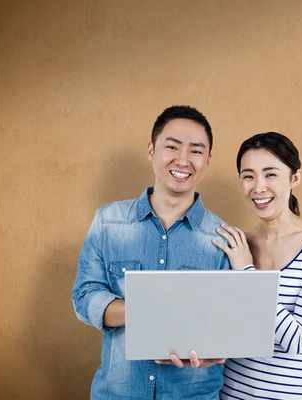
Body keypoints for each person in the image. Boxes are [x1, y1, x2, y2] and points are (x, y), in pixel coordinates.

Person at [71, 105, 228, 400]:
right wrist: (146, 312)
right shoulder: (108, 222)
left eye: (196, 151)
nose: (183, 160)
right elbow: (84, 296)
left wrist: (213, 354)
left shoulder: (223, 238)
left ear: (208, 161)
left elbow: (227, 323)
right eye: (172, 146)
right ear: (151, 150)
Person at [213, 132, 302, 399]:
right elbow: (224, 332)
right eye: (248, 176)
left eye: (270, 174)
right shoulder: (237, 245)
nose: (259, 187)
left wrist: (247, 273)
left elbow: (298, 340)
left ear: (294, 178)